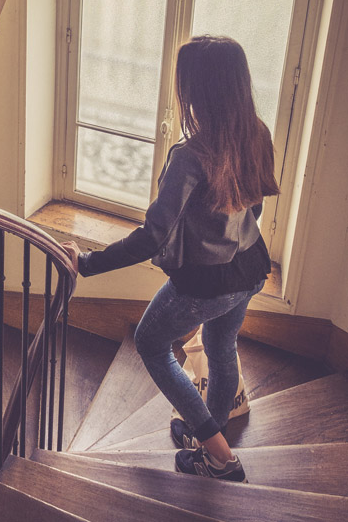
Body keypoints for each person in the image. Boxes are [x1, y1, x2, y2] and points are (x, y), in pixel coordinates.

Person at [62, 36, 279, 482]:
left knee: (151, 344)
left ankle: (219, 456)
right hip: (252, 266)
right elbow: (254, 205)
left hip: (206, 283)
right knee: (222, 346)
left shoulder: (190, 156)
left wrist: (85, 263)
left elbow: (151, 238)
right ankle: (208, 434)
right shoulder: (256, 132)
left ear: (199, 90)